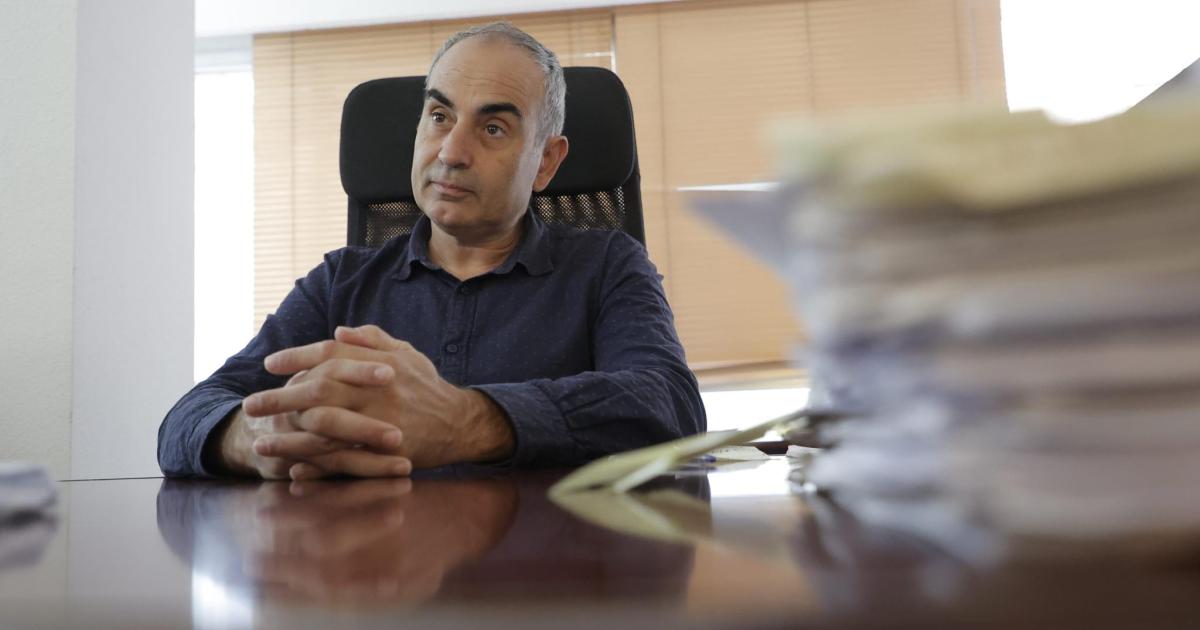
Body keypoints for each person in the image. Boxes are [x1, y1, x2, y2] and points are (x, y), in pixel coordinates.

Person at [158, 22, 705, 480]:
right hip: (377, 563)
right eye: (440, 117)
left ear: (545, 162)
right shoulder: (341, 282)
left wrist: (468, 420)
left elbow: (670, 404)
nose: (451, 151)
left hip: (546, 563)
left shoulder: (607, 265)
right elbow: (188, 416)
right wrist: (253, 436)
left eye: (493, 128)